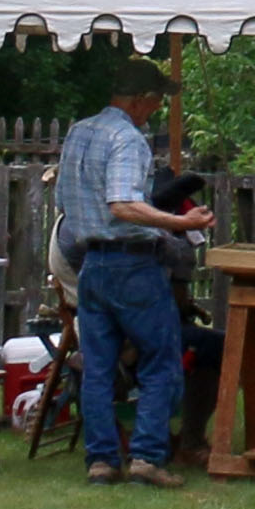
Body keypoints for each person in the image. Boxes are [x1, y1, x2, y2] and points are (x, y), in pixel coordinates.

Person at [53, 66, 214, 485]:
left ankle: (102, 462)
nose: (158, 108)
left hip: (93, 264)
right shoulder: (127, 139)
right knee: (161, 362)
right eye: (157, 99)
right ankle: (145, 456)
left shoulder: (78, 134)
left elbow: (65, 200)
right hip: (132, 264)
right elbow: (122, 204)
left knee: (99, 368)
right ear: (139, 98)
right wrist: (178, 222)